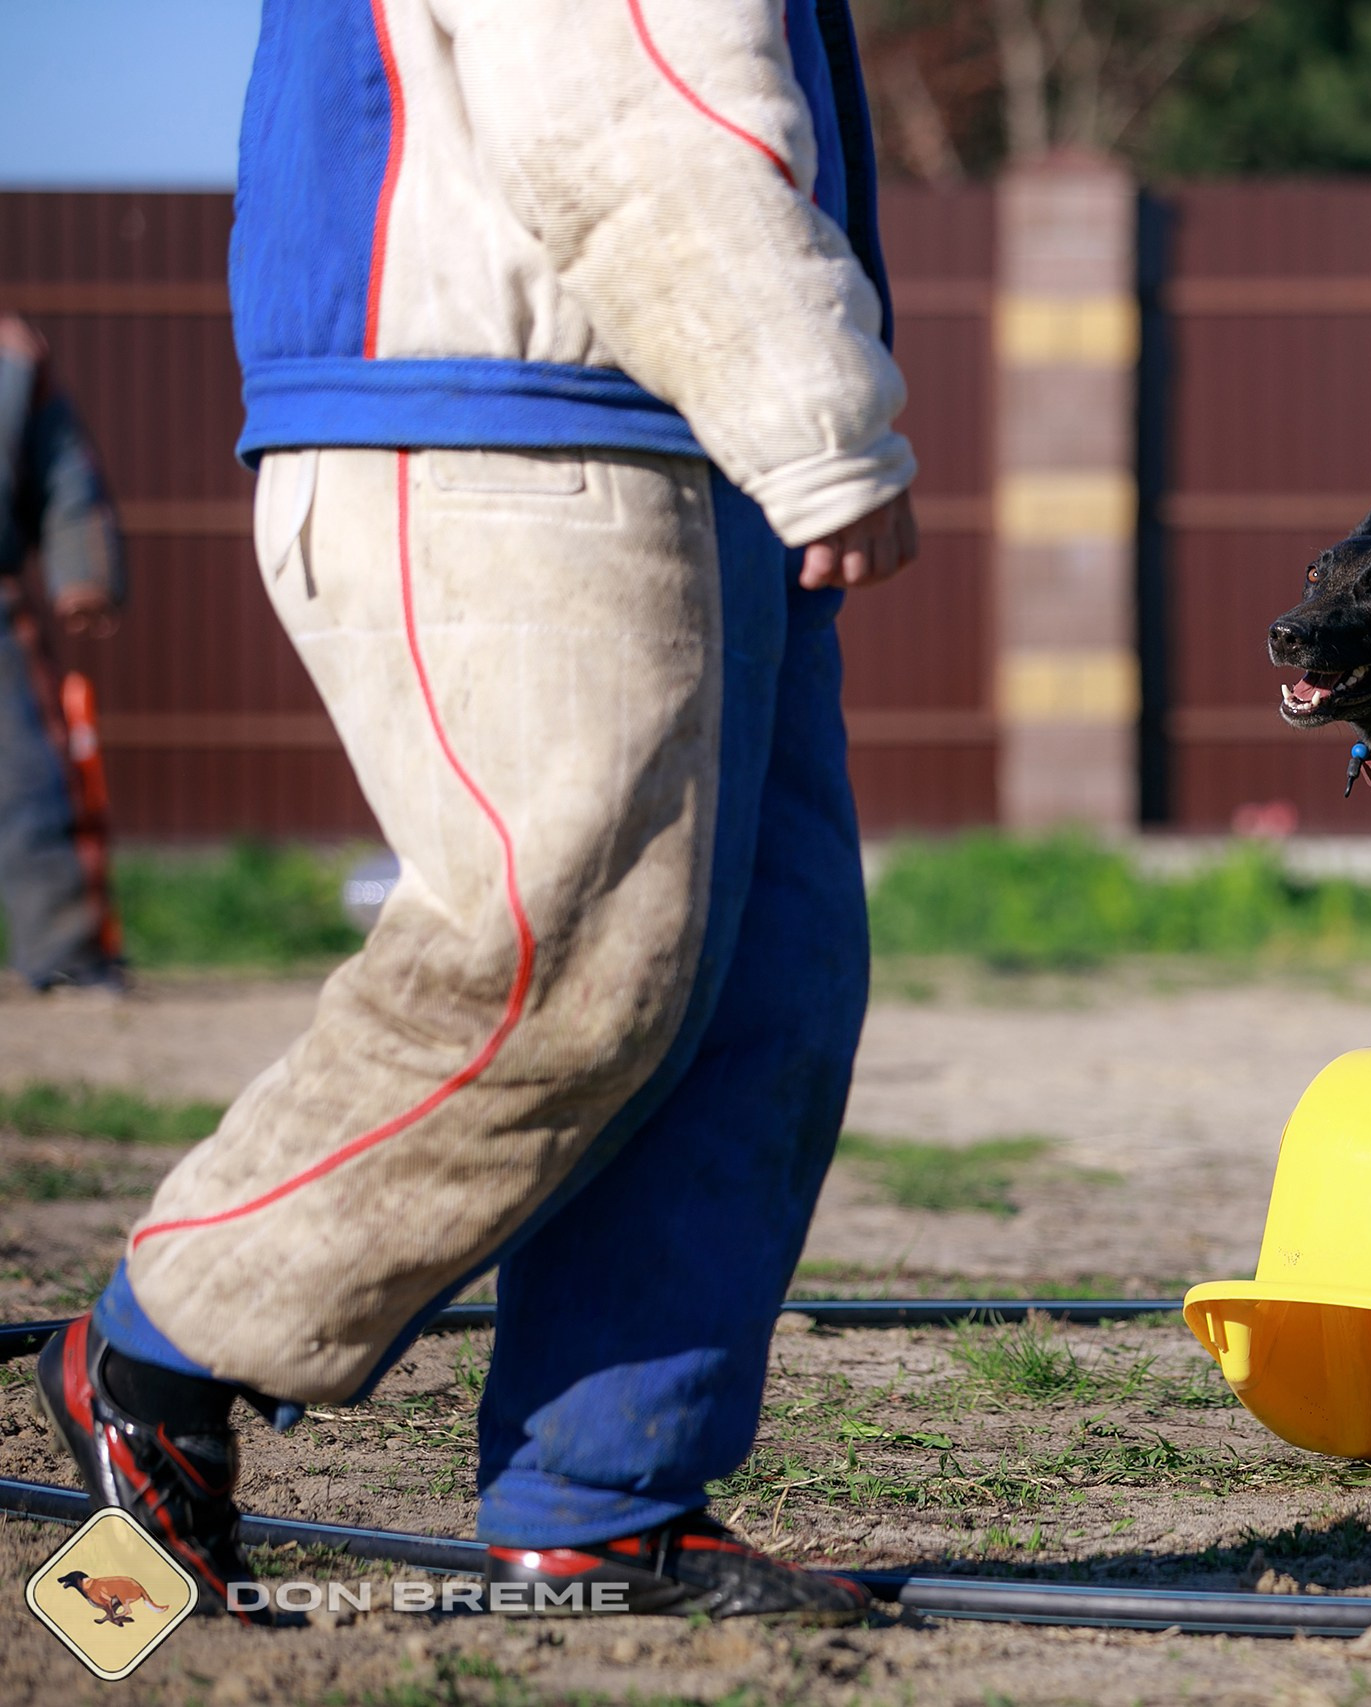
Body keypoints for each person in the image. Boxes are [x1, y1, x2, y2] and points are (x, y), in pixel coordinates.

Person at [39, 0, 920, 1619]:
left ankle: (606, 1495)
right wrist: (821, 414)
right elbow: (624, 90)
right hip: (502, 403)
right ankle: (167, 1339)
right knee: (567, 959)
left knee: (763, 988)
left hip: (668, 415)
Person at [0, 311, 124, 993]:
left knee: (31, 784)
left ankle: (66, 951)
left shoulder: (13, 357)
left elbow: (65, 471)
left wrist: (84, 570)